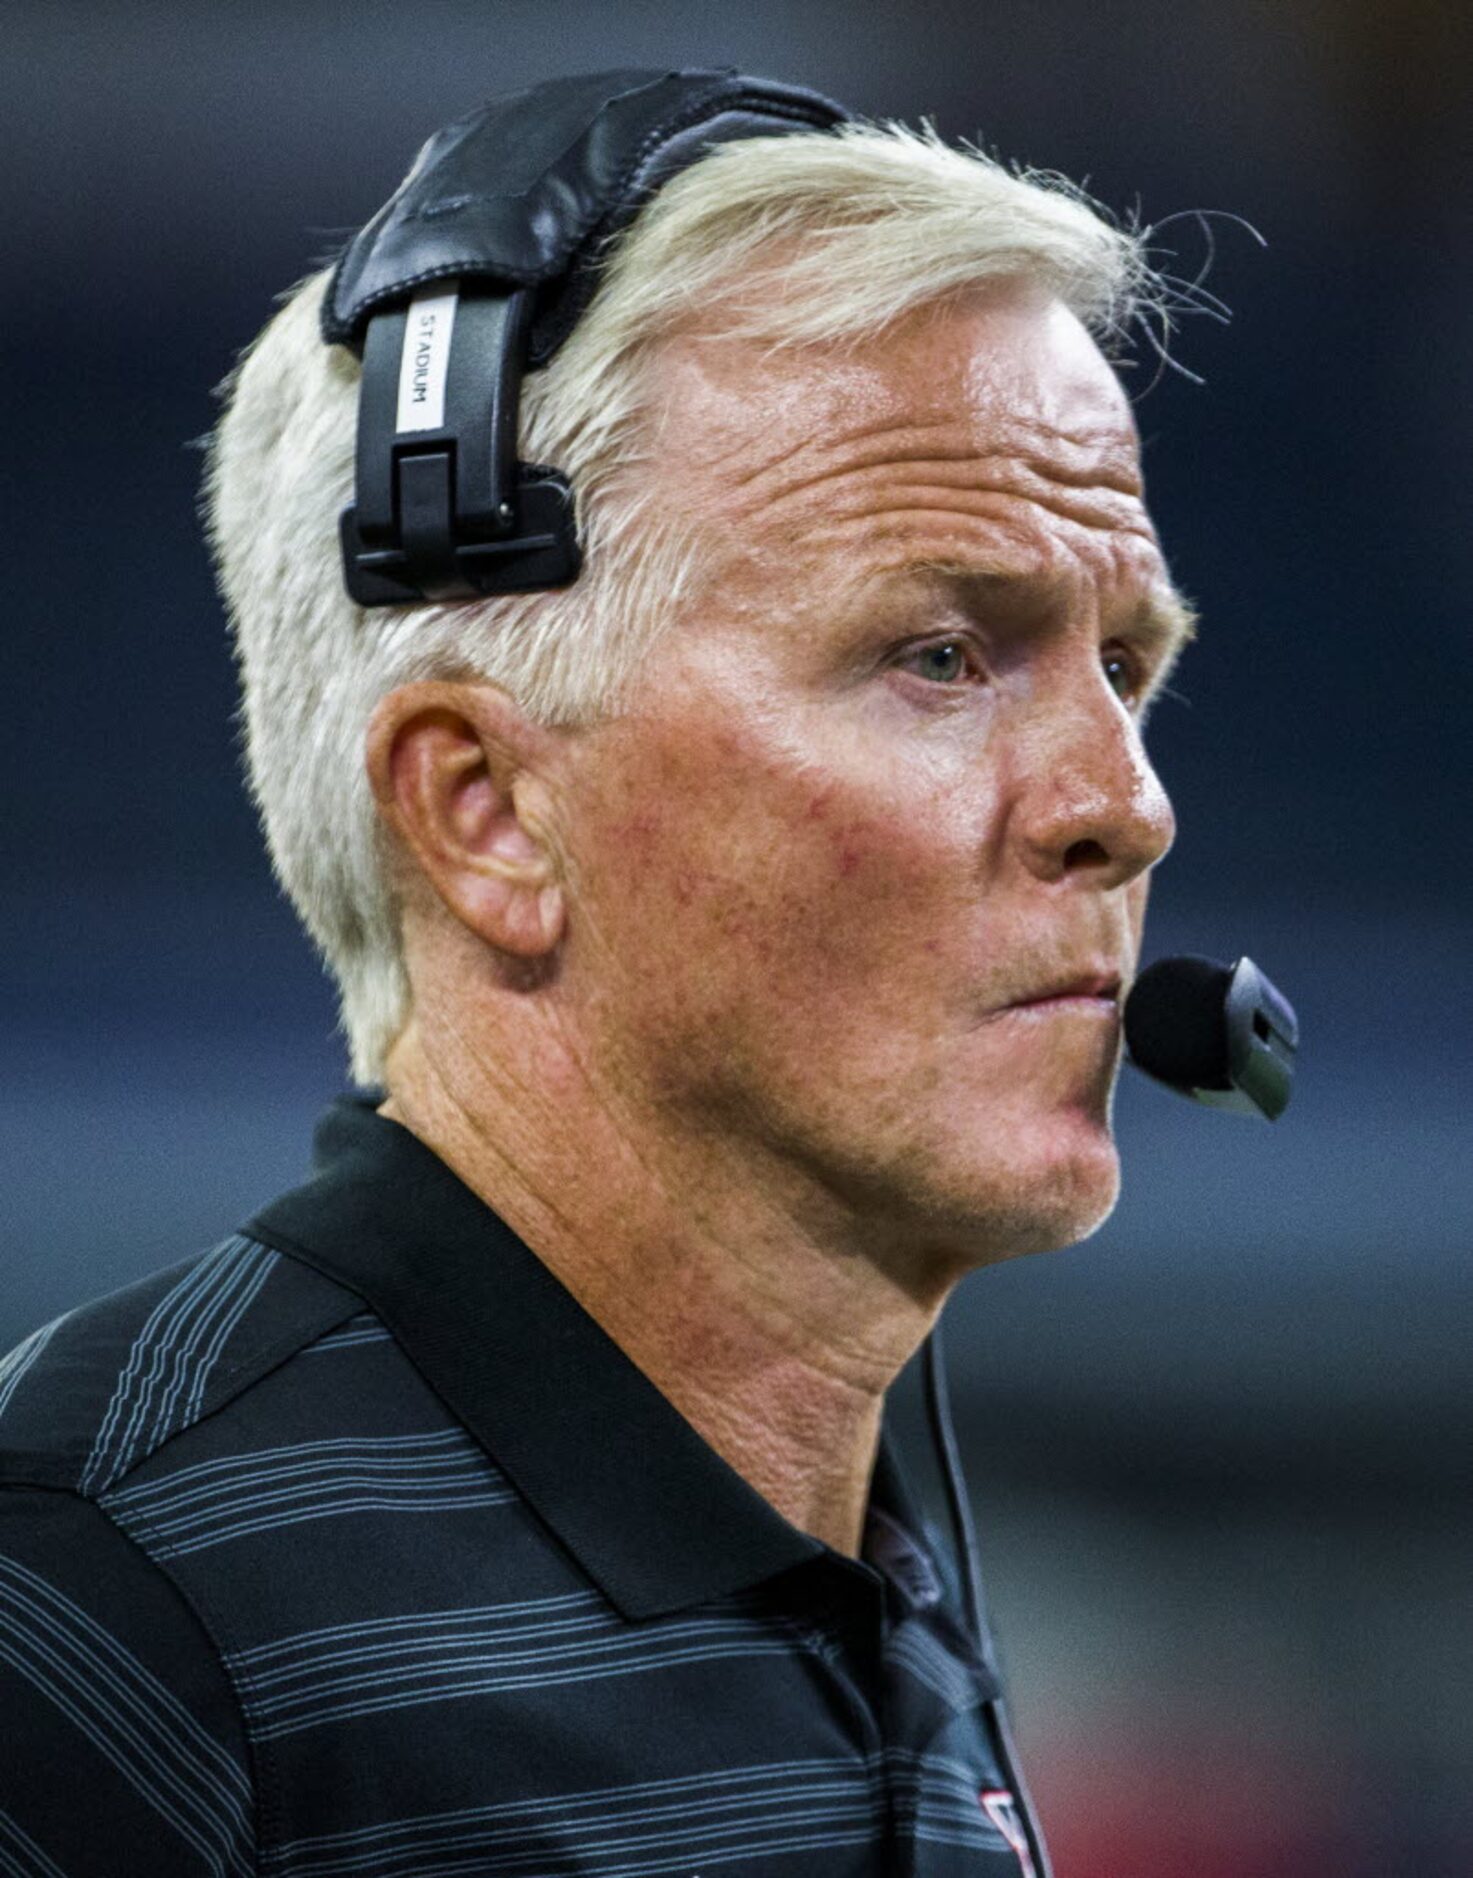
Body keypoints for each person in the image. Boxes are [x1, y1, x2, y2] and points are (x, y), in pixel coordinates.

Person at [0, 74, 1195, 1875]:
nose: (1127, 805)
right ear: (485, 812)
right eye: (942, 654)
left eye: (1124, 663)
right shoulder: (86, 1590)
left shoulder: (869, 1598)